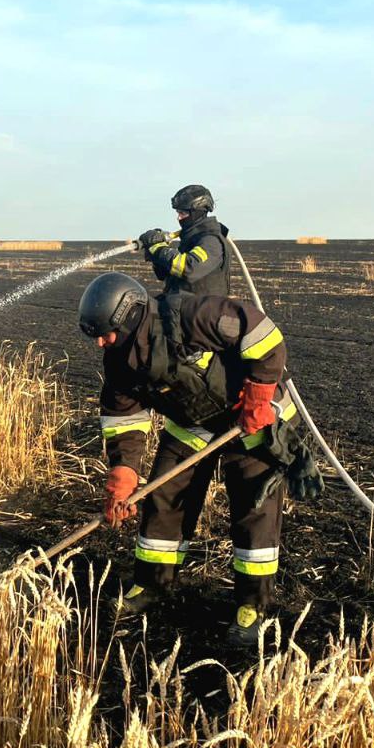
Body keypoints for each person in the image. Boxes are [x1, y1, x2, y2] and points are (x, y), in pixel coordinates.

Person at [78, 270, 307, 647]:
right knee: (163, 496)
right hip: (194, 423)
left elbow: (265, 336)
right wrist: (123, 473)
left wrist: (260, 394)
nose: (102, 342)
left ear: (130, 316)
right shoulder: (119, 362)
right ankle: (152, 584)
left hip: (249, 418)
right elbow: (123, 420)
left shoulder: (189, 315)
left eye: (106, 332)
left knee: (254, 508)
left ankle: (252, 605)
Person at [137, 184, 231, 296]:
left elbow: (188, 268)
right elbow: (163, 275)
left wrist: (159, 249)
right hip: (177, 306)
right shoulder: (191, 239)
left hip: (200, 310)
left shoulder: (211, 241)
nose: (178, 218)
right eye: (178, 213)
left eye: (183, 213)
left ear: (197, 213)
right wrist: (152, 252)